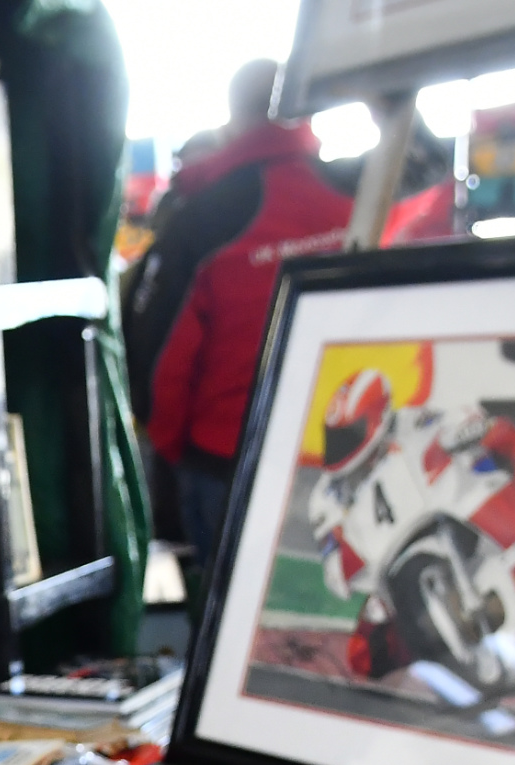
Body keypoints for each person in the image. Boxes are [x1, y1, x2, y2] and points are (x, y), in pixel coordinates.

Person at [124, 58, 353, 564]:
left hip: (227, 461)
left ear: (232, 118)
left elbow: (160, 356)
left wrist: (177, 450)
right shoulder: (355, 191)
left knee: (228, 622)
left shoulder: (205, 216)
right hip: (342, 444)